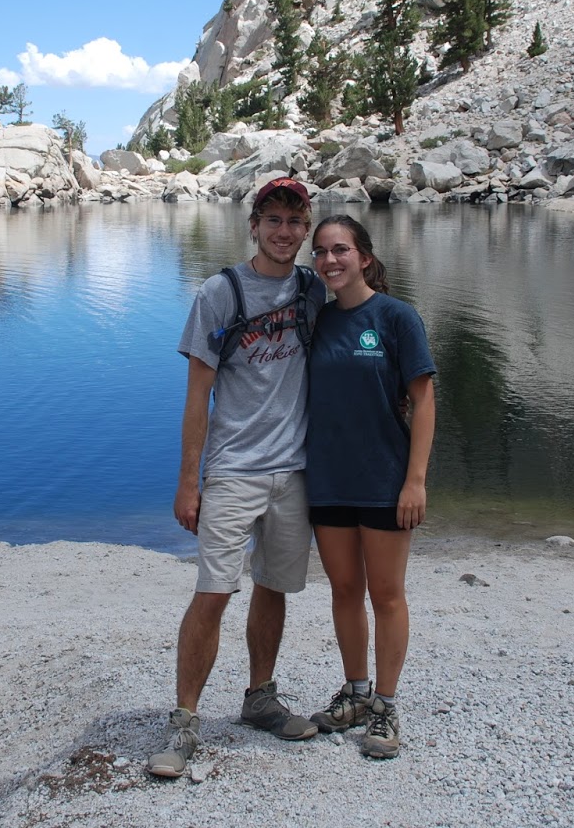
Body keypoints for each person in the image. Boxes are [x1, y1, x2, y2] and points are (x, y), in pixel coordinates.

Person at [146, 177, 328, 778]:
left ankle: (260, 699)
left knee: (273, 586)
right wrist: (188, 482)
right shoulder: (219, 293)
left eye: (295, 221)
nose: (284, 232)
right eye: (273, 219)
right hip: (232, 470)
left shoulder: (312, 290)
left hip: (294, 469)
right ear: (254, 225)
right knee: (214, 592)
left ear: (306, 229)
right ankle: (185, 720)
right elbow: (197, 395)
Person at [303, 215, 436, 760]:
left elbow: (423, 401)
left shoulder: (396, 317)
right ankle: (355, 691)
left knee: (386, 594)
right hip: (328, 479)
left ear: (364, 256)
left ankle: (385, 703)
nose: (330, 261)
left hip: (384, 479)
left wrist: (416, 481)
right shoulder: (317, 320)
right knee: (342, 591)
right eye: (321, 253)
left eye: (340, 250)